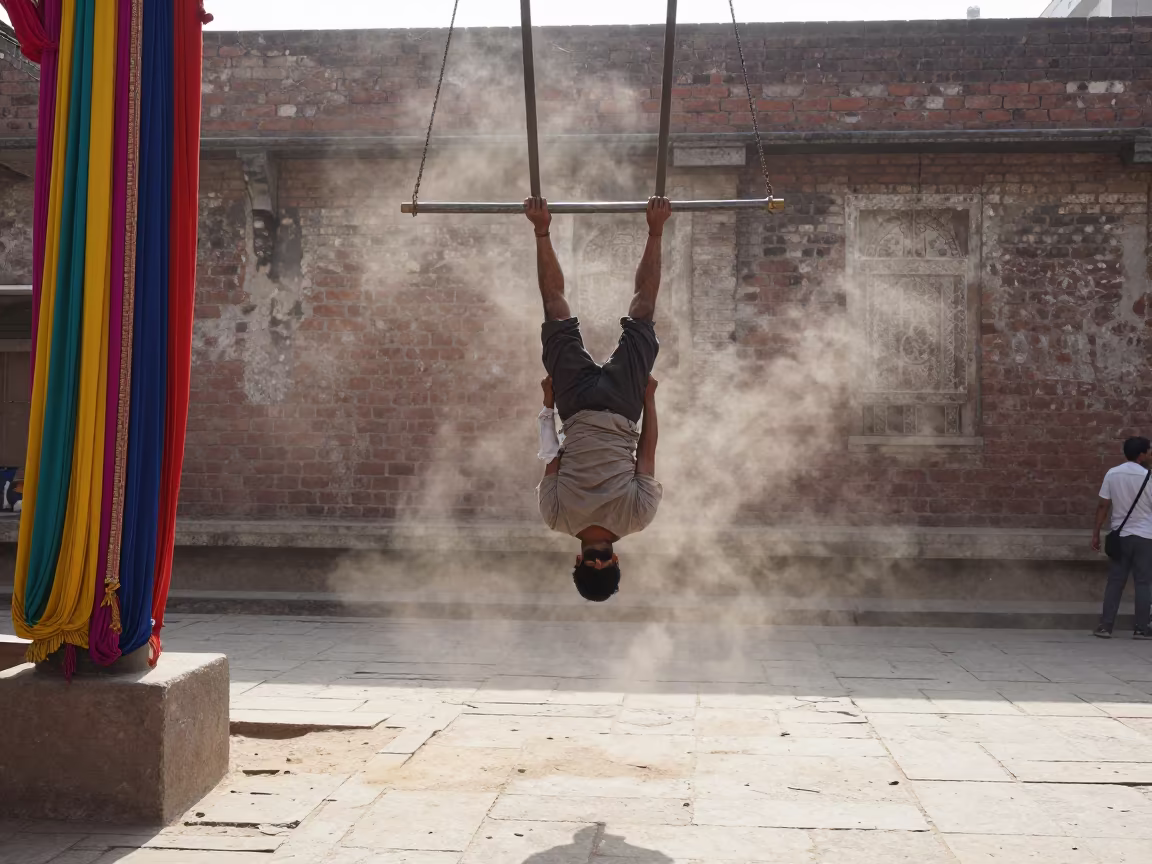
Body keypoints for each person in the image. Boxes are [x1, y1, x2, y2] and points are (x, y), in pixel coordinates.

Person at [527, 195, 671, 602]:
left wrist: (649, 398)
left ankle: (656, 228)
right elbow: (549, 451)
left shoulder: (638, 517)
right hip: (574, 406)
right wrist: (548, 403)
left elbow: (647, 451)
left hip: (623, 406)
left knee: (643, 314)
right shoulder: (555, 517)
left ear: (616, 561)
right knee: (555, 311)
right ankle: (541, 227)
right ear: (577, 562)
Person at [1091, 436, 1152, 638]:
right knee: (1143, 583)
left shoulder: (1112, 473)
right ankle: (1141, 628)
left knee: (1115, 582)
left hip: (1120, 536)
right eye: (1149, 451)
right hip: (1145, 537)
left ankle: (1105, 626)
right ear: (1141, 455)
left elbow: (1103, 505)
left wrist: (1096, 533)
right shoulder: (1148, 476)